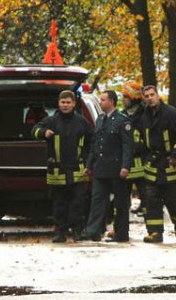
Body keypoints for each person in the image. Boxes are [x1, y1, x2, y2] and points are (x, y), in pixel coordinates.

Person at [31, 91, 92, 242]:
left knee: (78, 203)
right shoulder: (51, 121)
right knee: (59, 204)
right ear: (58, 104)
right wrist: (44, 133)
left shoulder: (82, 122)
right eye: (63, 102)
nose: (65, 105)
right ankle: (60, 233)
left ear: (74, 104)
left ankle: (77, 231)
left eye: (68, 103)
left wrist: (88, 163)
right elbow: (34, 130)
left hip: (77, 170)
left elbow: (92, 143)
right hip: (57, 171)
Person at [141, 85, 176, 244]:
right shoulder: (144, 116)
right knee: (151, 199)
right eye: (146, 96)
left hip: (171, 163)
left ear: (157, 95)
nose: (150, 98)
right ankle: (155, 232)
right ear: (144, 98)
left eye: (152, 95)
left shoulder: (171, 113)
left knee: (173, 199)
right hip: (154, 163)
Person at [83, 90, 133, 242]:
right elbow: (96, 145)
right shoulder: (100, 119)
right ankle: (94, 231)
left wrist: (125, 166)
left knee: (120, 203)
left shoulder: (122, 121)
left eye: (103, 99)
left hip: (116, 168)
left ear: (112, 102)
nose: (101, 102)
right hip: (100, 167)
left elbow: (127, 146)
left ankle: (121, 233)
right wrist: (89, 165)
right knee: (97, 200)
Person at [120, 80, 149, 215]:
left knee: (147, 196)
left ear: (133, 98)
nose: (123, 99)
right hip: (126, 164)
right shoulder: (122, 115)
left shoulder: (146, 114)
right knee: (122, 200)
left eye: (125, 97)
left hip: (142, 164)